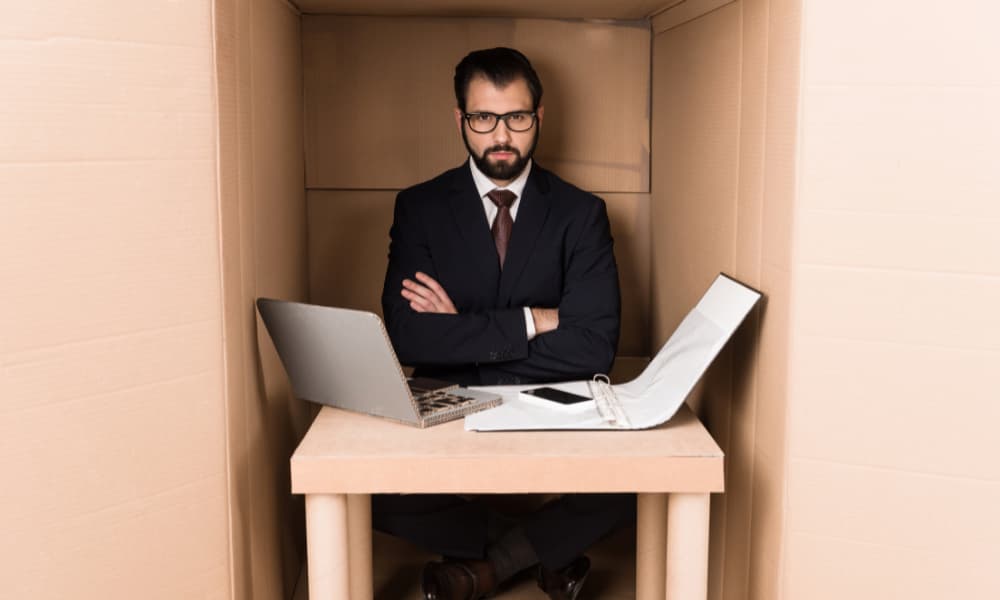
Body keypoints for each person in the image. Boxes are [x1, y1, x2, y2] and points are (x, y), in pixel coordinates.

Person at [377, 47, 634, 600]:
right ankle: (535, 554)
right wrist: (536, 320)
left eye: (517, 118)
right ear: (460, 119)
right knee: (375, 492)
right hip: (447, 403)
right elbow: (406, 336)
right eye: (482, 118)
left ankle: (483, 570)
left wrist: (463, 334)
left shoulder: (580, 213)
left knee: (632, 486)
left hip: (552, 402)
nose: (501, 135)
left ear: (538, 118)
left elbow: (594, 346)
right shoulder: (419, 207)